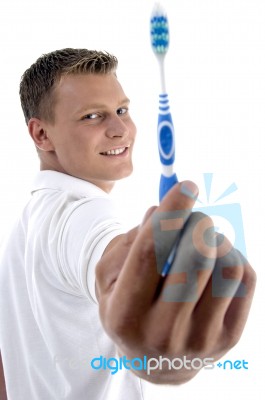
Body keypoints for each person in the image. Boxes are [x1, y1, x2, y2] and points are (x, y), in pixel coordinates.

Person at [0, 48, 256, 400]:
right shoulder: (84, 212)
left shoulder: (27, 224)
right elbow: (103, 259)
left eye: (122, 110)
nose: (121, 129)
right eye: (92, 116)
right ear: (42, 135)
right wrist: (145, 330)